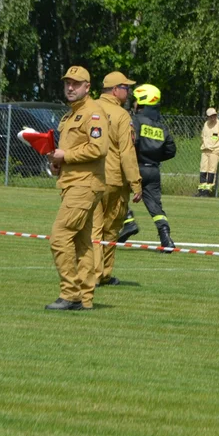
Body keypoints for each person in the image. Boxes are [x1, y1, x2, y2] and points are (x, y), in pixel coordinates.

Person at [45, 66, 109, 311]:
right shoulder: (69, 116)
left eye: (76, 83)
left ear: (87, 87)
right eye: (67, 83)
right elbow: (68, 154)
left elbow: (98, 148)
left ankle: (70, 294)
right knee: (82, 244)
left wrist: (66, 155)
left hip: (85, 185)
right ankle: (84, 298)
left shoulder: (94, 113)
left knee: (60, 237)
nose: (70, 87)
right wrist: (57, 164)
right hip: (72, 183)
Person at [91, 72, 144, 286]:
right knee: (111, 228)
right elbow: (127, 153)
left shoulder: (88, 109)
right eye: (126, 87)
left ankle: (91, 274)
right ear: (115, 90)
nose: (128, 91)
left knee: (93, 229)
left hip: (90, 179)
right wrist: (136, 182)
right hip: (113, 180)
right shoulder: (122, 116)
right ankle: (102, 275)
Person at [131, 83, 178, 251]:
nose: (133, 104)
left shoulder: (135, 121)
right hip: (153, 170)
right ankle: (165, 237)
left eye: (135, 101)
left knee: (116, 194)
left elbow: (131, 143)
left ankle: (128, 223)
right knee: (155, 207)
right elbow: (171, 150)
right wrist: (155, 157)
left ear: (142, 103)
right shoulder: (161, 127)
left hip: (135, 168)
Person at [196, 107, 219, 197]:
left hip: (215, 151)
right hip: (205, 149)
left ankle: (207, 191)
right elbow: (203, 136)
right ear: (207, 117)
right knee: (203, 169)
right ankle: (201, 190)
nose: (213, 117)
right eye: (211, 116)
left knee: (211, 170)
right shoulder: (206, 124)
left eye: (215, 115)